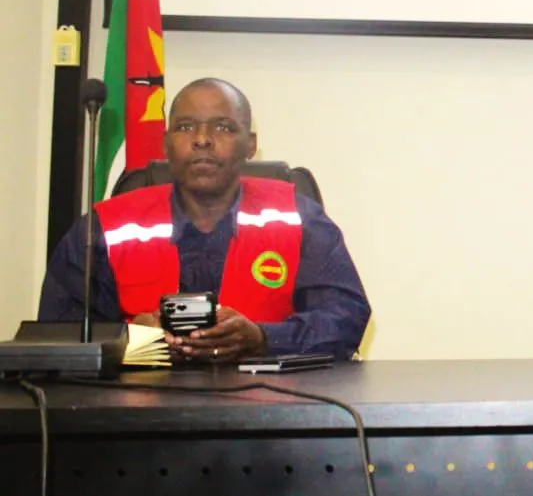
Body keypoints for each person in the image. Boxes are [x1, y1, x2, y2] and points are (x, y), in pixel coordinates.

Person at [38, 78, 372, 361]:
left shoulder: (299, 219)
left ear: (250, 146)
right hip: (140, 407)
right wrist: (129, 338)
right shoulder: (106, 227)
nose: (202, 139)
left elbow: (346, 319)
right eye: (185, 127)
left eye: (223, 127)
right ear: (166, 144)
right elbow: (57, 333)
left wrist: (262, 338)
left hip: (269, 407)